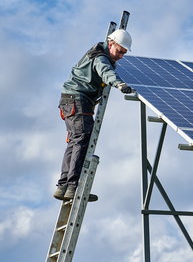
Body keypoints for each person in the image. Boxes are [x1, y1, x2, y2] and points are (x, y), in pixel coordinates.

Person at [53, 29, 133, 201]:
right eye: (120, 51)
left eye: (124, 53)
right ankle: (73, 187)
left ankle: (63, 187)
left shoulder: (99, 53)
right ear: (110, 44)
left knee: (75, 140)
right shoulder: (100, 57)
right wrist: (119, 84)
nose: (121, 56)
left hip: (70, 100)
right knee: (82, 139)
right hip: (78, 100)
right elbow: (105, 71)